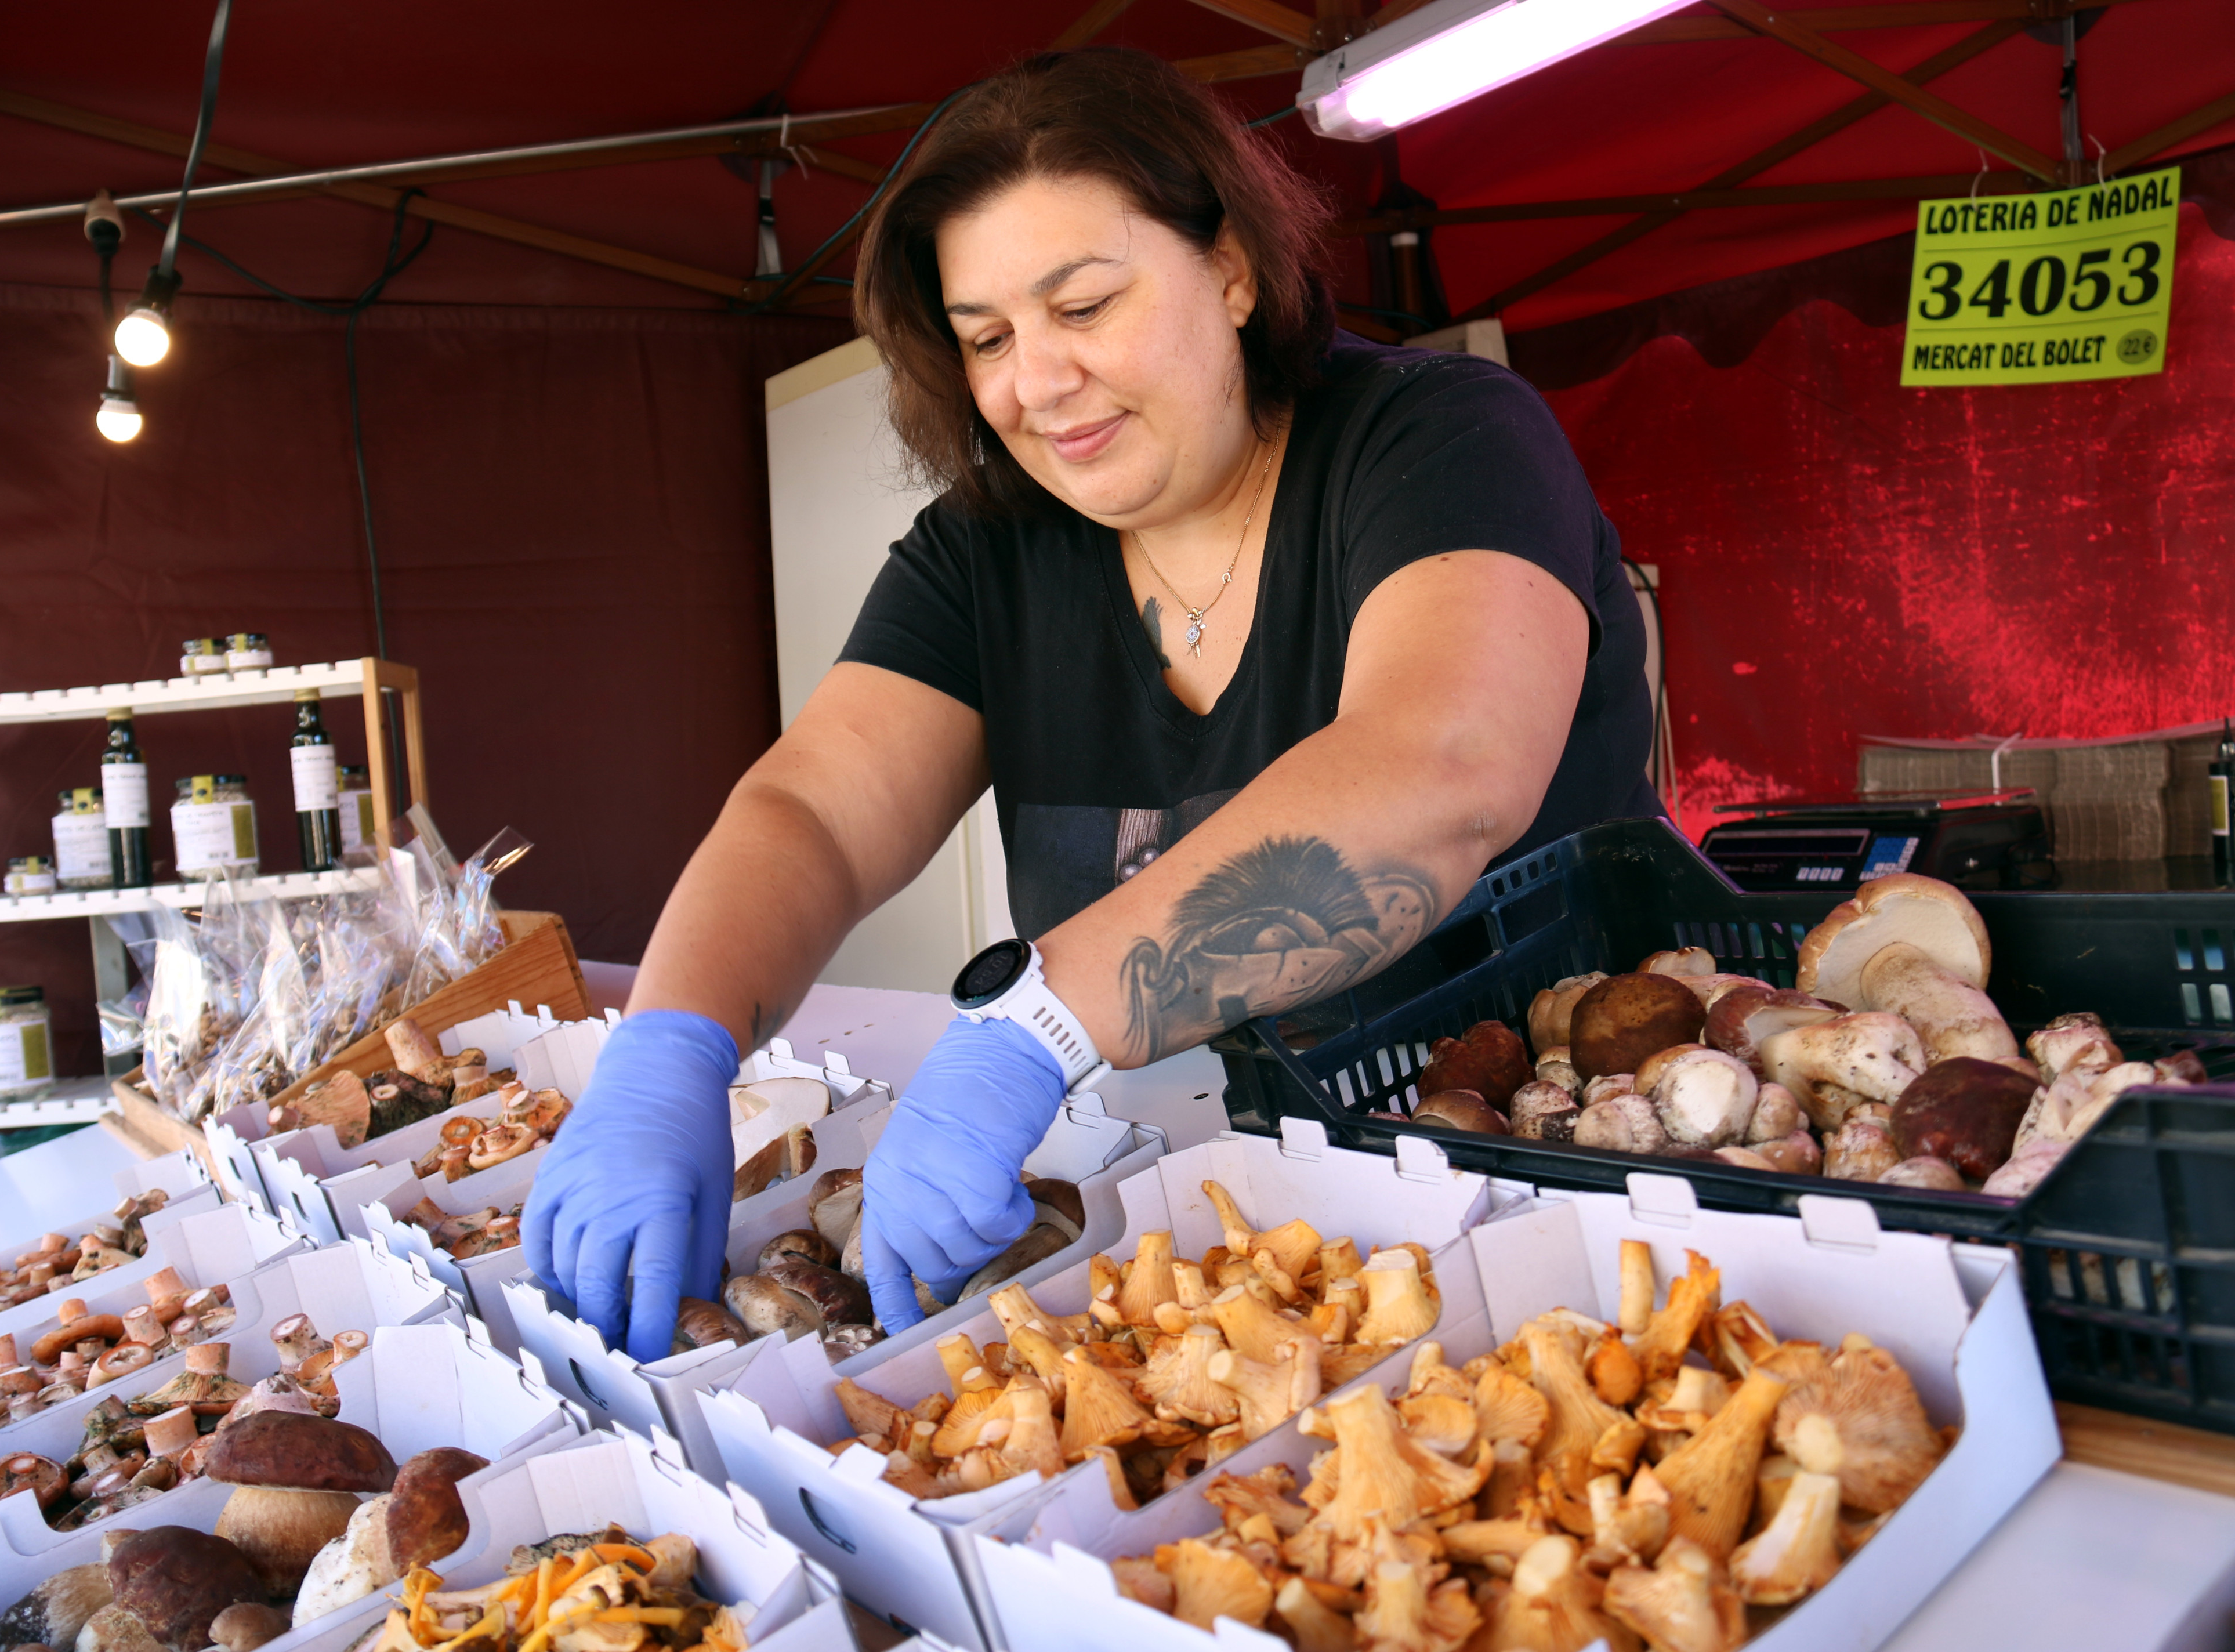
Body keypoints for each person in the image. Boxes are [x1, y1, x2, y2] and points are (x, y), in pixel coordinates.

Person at [523, 48, 1658, 1361]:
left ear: (1232, 269)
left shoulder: (1441, 436)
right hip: (1213, 1244)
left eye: (1085, 305)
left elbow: (1442, 764)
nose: (1038, 381)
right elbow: (815, 811)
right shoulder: (984, 547)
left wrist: (1037, 1023)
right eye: (989, 337)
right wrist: (671, 1048)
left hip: (1571, 1193)